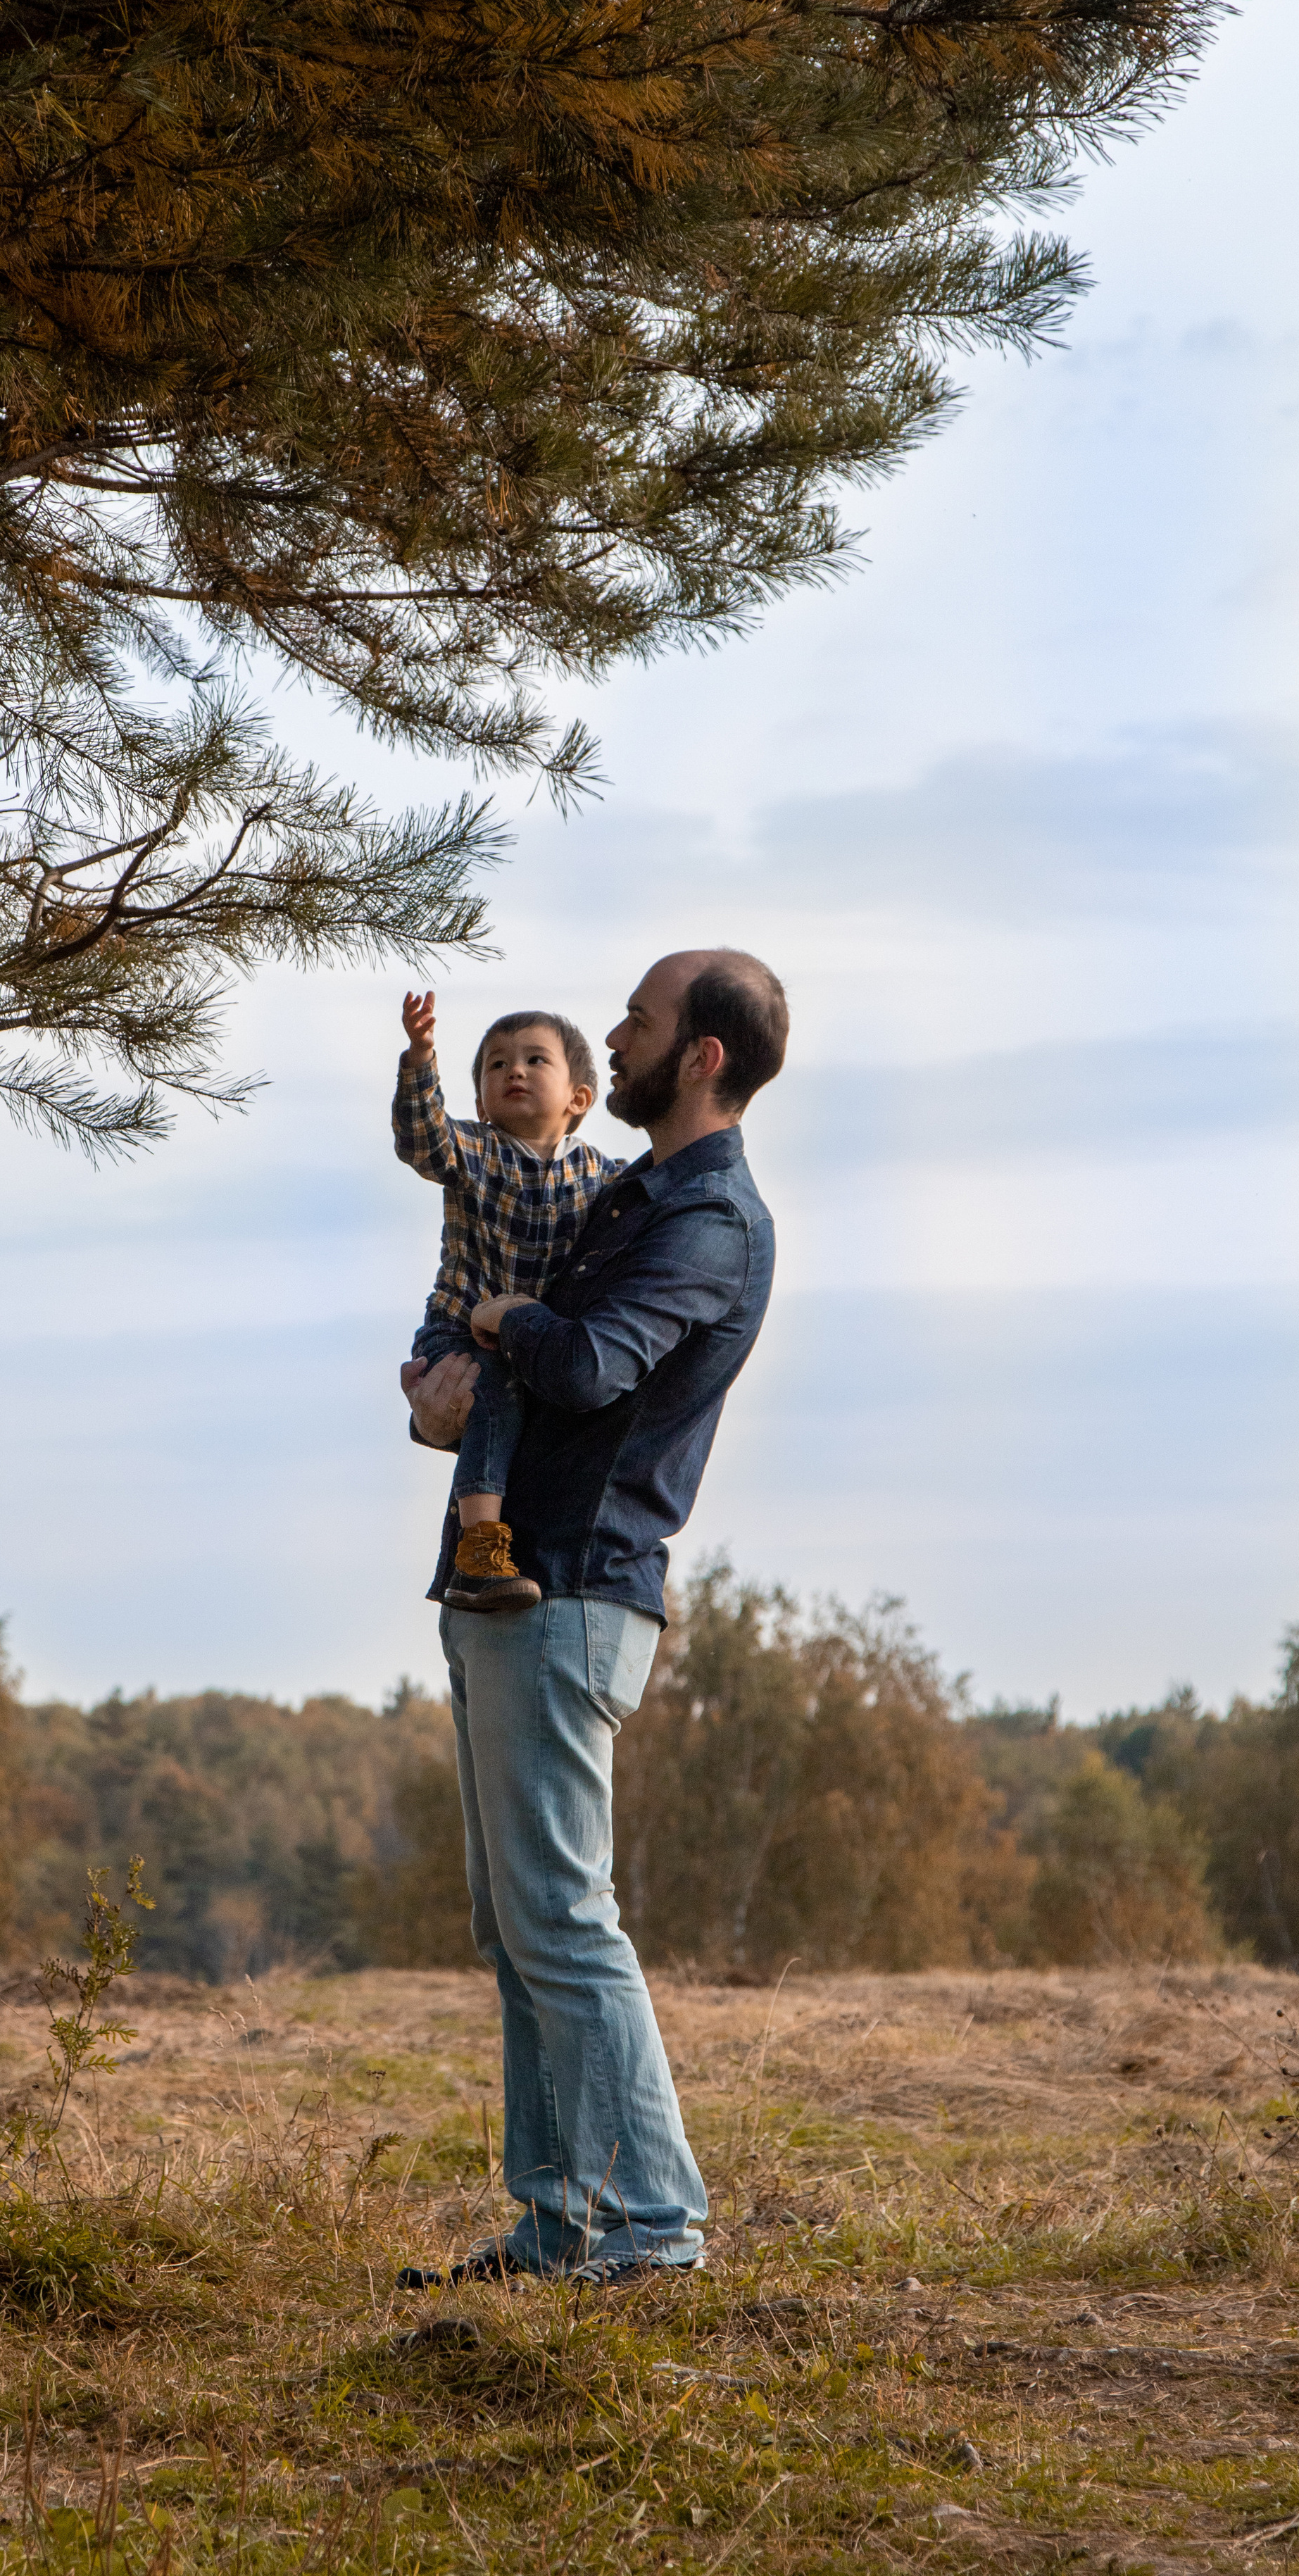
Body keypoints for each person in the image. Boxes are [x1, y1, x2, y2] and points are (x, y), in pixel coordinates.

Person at [396, 946, 786, 2289]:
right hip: (508, 1584)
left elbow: (589, 1360)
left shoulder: (706, 1224)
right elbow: (501, 1359)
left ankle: (649, 2232)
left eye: (637, 1022)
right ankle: (562, 2219)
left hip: (571, 1591)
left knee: (563, 1919)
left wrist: (498, 1321)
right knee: (517, 1929)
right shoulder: (627, 1198)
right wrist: (438, 1383)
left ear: (703, 1058)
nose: (612, 1038)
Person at [394, 992, 626, 1610]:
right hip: (460, 1332)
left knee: (523, 1397)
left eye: (533, 1060)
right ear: (478, 1103)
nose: (513, 1071)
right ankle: (480, 1549)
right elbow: (422, 1137)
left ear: (579, 1098)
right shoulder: (475, 1152)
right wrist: (420, 1058)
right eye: (496, 1065)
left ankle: (506, 1539)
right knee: (492, 1392)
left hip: (534, 1338)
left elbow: (649, 1202)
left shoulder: (603, 1176)